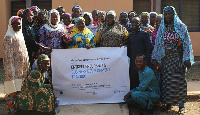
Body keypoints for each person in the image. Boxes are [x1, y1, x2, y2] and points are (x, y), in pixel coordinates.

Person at [152, 6, 194, 113]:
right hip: (166, 60)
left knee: (179, 82)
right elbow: (157, 44)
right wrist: (156, 58)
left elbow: (186, 43)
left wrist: (187, 59)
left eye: (170, 14)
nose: (168, 16)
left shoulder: (181, 27)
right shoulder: (162, 28)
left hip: (178, 59)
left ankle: (181, 106)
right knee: (167, 82)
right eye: (166, 14)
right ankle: (168, 103)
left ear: (174, 15)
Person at [3, 16, 30, 114]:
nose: (18, 26)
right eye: (15, 24)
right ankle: (11, 109)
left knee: (20, 89)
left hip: (22, 68)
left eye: (19, 24)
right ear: (10, 25)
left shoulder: (20, 35)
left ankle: (18, 108)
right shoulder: (8, 38)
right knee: (12, 90)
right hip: (14, 69)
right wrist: (11, 72)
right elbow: (7, 57)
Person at [126, 17, 152, 90]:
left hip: (142, 62)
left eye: (136, 23)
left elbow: (148, 48)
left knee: (142, 80)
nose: (134, 24)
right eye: (132, 23)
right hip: (133, 62)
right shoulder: (130, 34)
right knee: (133, 79)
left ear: (139, 24)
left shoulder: (144, 34)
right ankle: (134, 96)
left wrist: (146, 61)